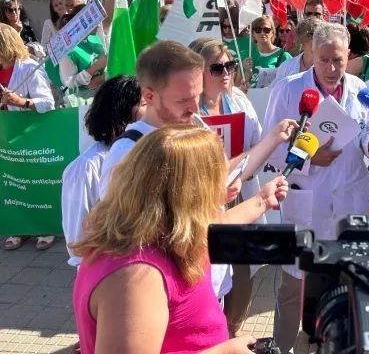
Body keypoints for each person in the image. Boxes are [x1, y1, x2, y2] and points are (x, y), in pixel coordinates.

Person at [98, 40, 300, 305]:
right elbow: (124, 239)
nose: (195, 108)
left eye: (197, 95)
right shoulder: (127, 153)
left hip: (211, 286)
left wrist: (272, 140)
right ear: (149, 96)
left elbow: (221, 180)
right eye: (183, 99)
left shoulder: (194, 124)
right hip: (171, 299)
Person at [72, 126, 289, 354]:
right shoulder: (135, 276)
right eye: (219, 178)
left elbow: (219, 223)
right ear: (188, 193)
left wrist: (263, 200)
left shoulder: (166, 230)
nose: (231, 185)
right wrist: (223, 352)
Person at [263, 22, 369, 354]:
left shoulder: (360, 89)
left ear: (349, 55)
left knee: (341, 283)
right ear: (311, 54)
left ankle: (329, 344)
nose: (331, 69)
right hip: (307, 201)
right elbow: (269, 145)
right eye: (323, 60)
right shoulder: (289, 90)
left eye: (338, 60)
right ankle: (281, 347)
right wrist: (308, 157)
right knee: (294, 286)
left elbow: (363, 136)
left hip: (349, 200)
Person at [189, 38, 262, 337]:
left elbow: (257, 142)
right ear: (197, 72)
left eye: (229, 65)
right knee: (207, 273)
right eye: (216, 68)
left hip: (237, 193)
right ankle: (210, 333)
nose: (226, 73)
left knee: (243, 271)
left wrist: (239, 164)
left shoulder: (239, 100)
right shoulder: (188, 110)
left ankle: (231, 330)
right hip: (201, 201)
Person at [62, 76, 145, 267]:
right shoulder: (86, 167)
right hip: (107, 269)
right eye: (144, 103)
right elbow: (76, 242)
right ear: (121, 111)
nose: (153, 110)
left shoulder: (146, 153)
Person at [1, 24, 56, 252]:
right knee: (14, 183)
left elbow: (48, 102)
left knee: (35, 181)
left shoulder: (29, 67)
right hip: (7, 136)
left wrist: (21, 102)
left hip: (30, 134)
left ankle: (46, 227)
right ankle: (20, 228)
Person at [58, 6, 108, 105]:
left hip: (103, 95)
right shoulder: (68, 49)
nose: (99, 24)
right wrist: (96, 67)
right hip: (82, 102)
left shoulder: (95, 39)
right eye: (94, 20)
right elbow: (69, 82)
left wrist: (103, 78)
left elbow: (107, 65)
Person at [243, 15, 291, 87]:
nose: (262, 33)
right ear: (253, 34)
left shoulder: (284, 56)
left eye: (266, 30)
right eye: (258, 30)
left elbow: (289, 85)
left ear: (272, 33)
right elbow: (237, 86)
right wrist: (247, 72)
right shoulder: (246, 55)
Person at [273, 17, 322, 84]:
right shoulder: (287, 66)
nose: (316, 39)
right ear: (301, 39)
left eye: (320, 35)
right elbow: (275, 88)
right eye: (311, 35)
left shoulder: (329, 66)